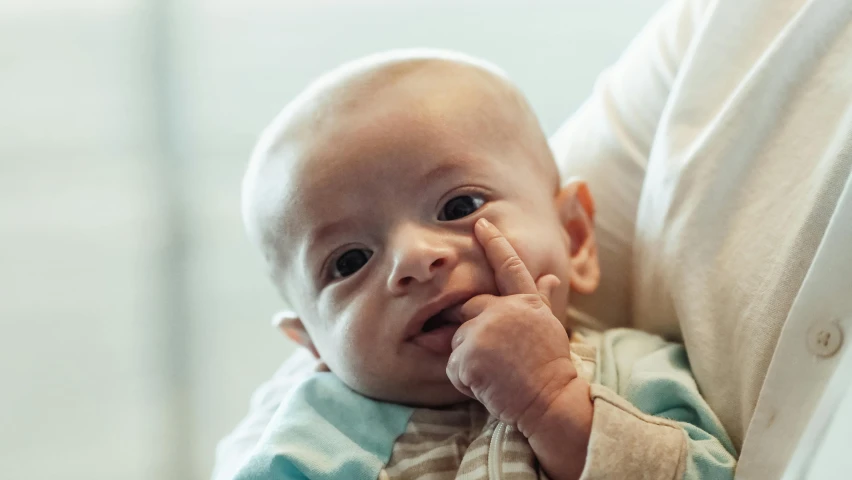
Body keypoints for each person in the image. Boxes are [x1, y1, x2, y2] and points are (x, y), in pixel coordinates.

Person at [215, 0, 852, 478]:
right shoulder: (309, 430)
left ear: (576, 236)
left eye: (459, 205)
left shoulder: (635, 374)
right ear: (310, 343)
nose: (413, 258)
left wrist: (554, 403)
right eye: (349, 260)